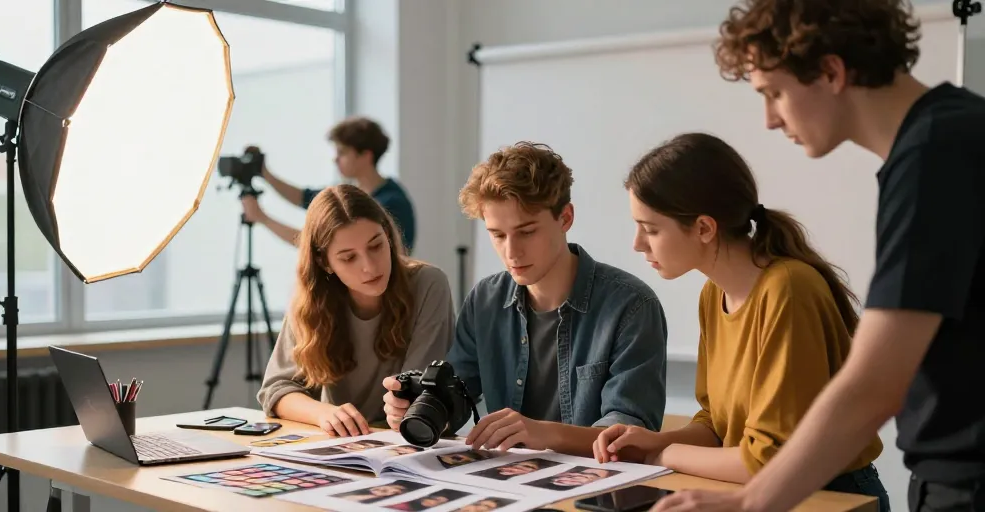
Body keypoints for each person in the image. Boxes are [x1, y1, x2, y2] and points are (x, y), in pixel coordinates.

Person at [649, 1, 985, 511]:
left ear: (831, 72)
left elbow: (875, 383)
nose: (768, 119)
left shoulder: (935, 155)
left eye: (774, 93)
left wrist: (750, 503)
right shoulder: (948, 135)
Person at [591, 133, 889, 509]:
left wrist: (661, 455)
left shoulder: (788, 289)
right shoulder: (714, 294)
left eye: (650, 229)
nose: (637, 243)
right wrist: (654, 440)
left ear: (704, 228)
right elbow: (716, 424)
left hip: (833, 497)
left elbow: (766, 459)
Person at [381, 141, 669, 457]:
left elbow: (627, 435)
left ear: (565, 218)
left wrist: (541, 433)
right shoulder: (485, 300)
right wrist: (420, 408)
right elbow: (458, 396)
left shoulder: (632, 307)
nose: (511, 252)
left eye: (527, 232)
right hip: (507, 485)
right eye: (497, 235)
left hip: (592, 487)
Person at [256, 184, 452, 437]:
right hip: (336, 444)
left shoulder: (428, 284)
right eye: (349, 258)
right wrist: (323, 413)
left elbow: (419, 392)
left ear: (388, 237)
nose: (370, 267)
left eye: (376, 246)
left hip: (404, 440)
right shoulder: (310, 301)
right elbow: (275, 390)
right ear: (324, 262)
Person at [241, 116, 418, 253]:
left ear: (366, 155)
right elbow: (304, 198)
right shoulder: (352, 194)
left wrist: (263, 218)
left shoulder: (392, 203)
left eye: (342, 152)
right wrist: (265, 173)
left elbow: (322, 245)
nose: (335, 159)